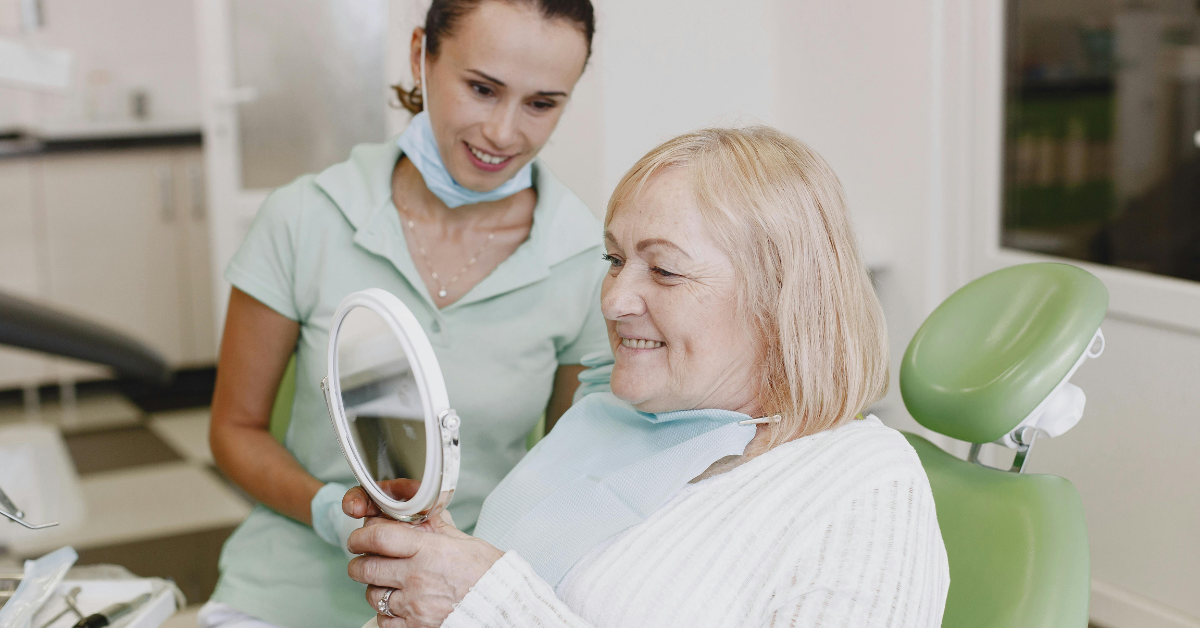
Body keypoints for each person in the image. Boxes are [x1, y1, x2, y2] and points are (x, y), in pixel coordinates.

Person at [342, 126, 951, 628]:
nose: (613, 300)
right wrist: (434, 570)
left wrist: (486, 605)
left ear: (782, 298)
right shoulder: (613, 419)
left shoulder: (862, 487)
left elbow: (504, 603)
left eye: (663, 270)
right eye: (615, 260)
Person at [201, 1, 604, 627]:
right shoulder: (306, 217)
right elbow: (235, 430)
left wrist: (482, 581)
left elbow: (571, 467)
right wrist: (332, 511)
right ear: (422, 54)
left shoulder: (583, 259)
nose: (503, 132)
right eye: (481, 89)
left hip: (457, 603)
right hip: (284, 594)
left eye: (541, 104)